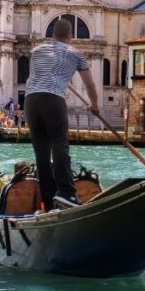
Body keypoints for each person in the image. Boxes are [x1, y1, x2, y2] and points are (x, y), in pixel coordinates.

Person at [24, 18, 99, 210]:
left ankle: (49, 201)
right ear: (71, 35)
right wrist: (95, 105)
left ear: (52, 34)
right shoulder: (76, 54)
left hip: (31, 101)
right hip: (53, 99)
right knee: (59, 145)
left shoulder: (36, 51)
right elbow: (90, 84)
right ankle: (66, 193)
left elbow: (39, 75)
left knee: (41, 152)